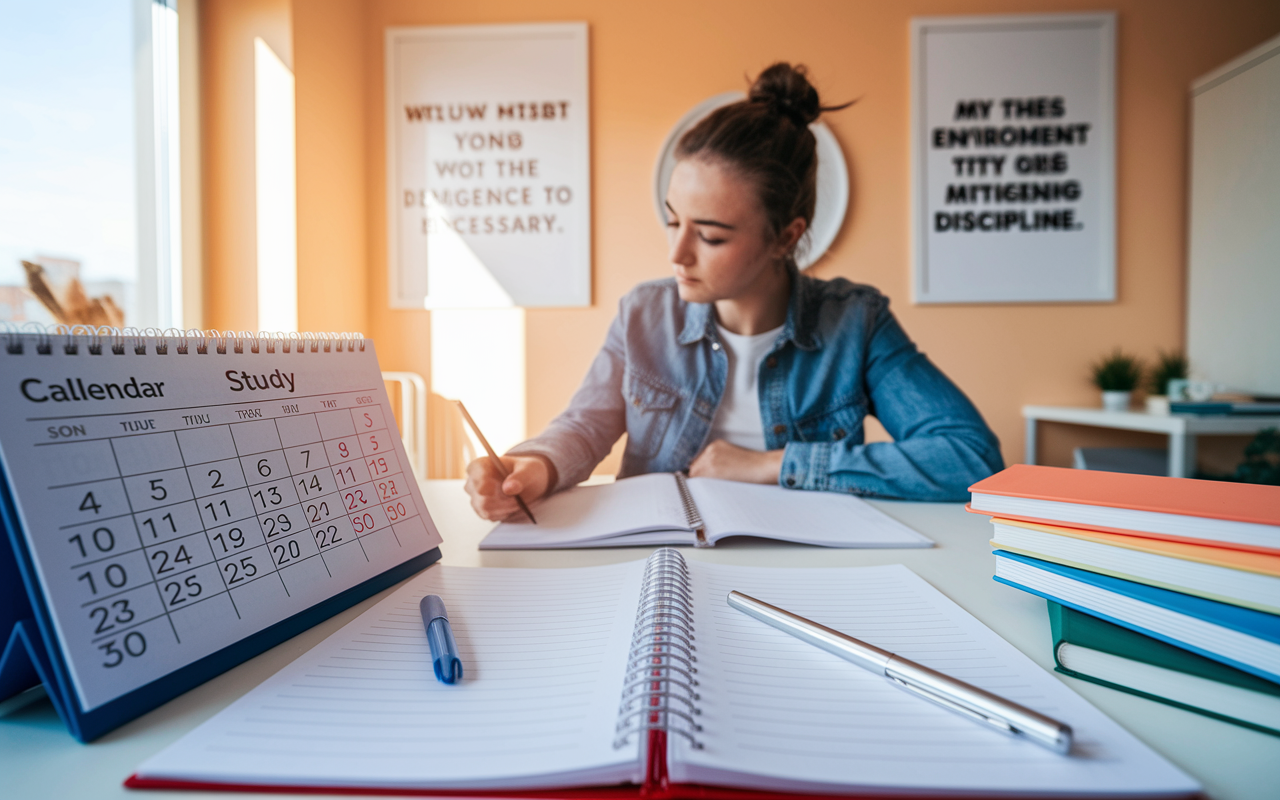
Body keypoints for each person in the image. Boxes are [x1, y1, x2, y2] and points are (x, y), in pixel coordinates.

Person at [465, 63, 1003, 521]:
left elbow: (971, 459)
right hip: (661, 561)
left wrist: (774, 464)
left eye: (712, 235)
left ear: (785, 236)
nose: (677, 253)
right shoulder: (645, 314)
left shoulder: (856, 324)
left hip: (806, 569)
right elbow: (586, 425)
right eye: (673, 221)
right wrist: (535, 466)